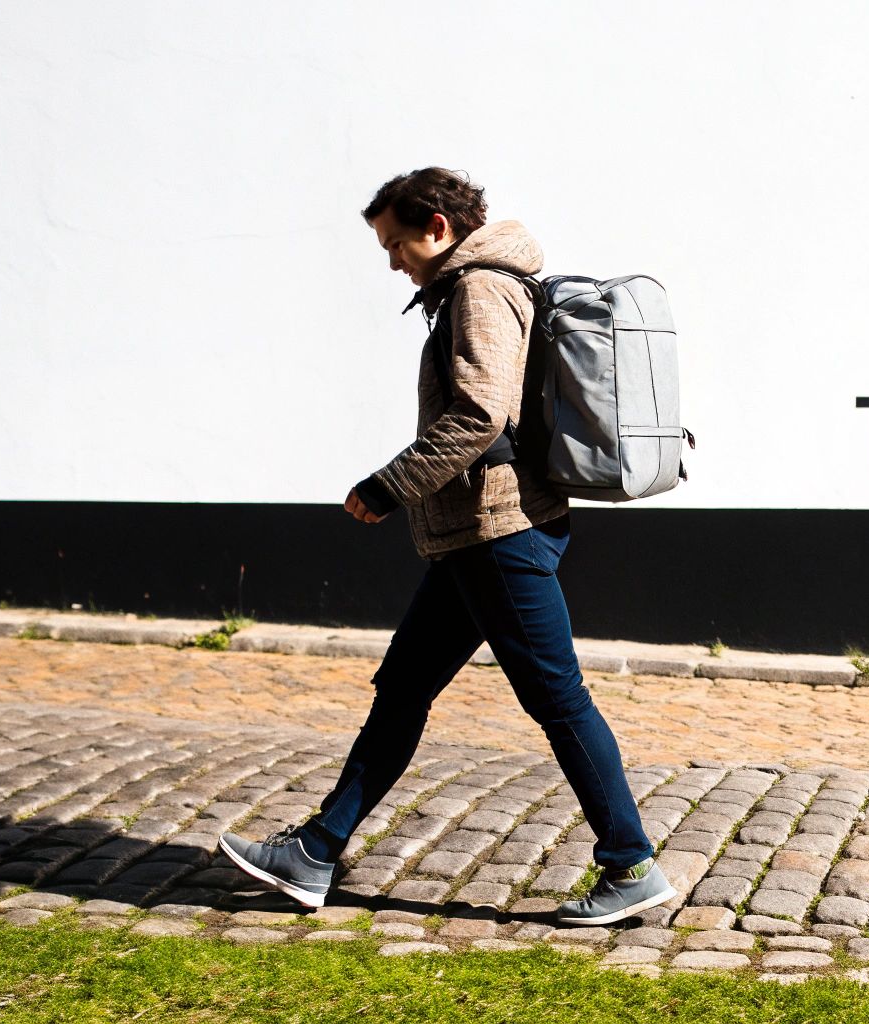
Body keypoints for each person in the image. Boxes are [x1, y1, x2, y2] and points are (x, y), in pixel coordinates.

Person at [218, 167, 674, 926]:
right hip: (474, 537)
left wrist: (388, 486)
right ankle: (317, 851)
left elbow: (480, 414)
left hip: (499, 533)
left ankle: (630, 865)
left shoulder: (479, 289)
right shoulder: (474, 285)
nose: (393, 261)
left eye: (398, 243)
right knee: (402, 689)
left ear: (437, 226)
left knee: (559, 701)